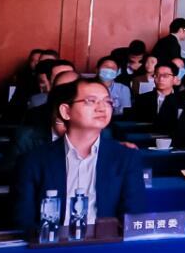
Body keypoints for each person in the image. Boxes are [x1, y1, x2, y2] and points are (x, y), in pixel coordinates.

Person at [12, 79, 147, 232]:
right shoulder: (33, 160)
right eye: (91, 101)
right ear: (66, 111)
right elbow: (23, 220)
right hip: (49, 243)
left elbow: (133, 217)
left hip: (107, 242)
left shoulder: (126, 157)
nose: (102, 108)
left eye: (108, 102)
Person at [131, 62, 185, 132]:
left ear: (175, 79)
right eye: (157, 75)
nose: (161, 79)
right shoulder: (141, 99)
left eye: (165, 75)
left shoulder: (183, 100)